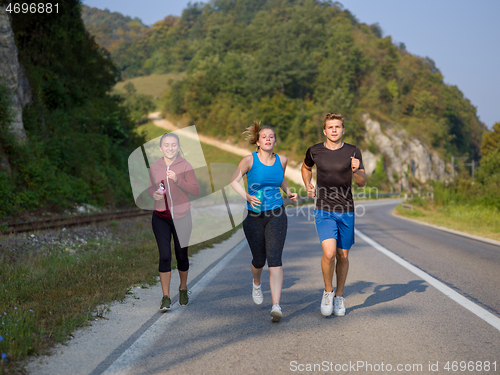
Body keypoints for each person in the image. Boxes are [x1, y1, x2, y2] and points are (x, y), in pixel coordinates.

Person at [230, 122, 298, 322]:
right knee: (259, 260)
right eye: (264, 137)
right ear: (258, 142)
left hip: (276, 213)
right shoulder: (249, 160)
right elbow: (233, 180)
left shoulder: (282, 160)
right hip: (254, 215)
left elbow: (280, 178)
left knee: (274, 259)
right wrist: (247, 196)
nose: (268, 139)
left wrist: (288, 192)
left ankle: (276, 305)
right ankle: (256, 282)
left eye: (271, 136)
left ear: (275, 141)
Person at [301, 112, 366, 317]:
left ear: (343, 130)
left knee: (343, 256)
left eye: (338, 127)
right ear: (325, 131)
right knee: (329, 254)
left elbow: (362, 182)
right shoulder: (315, 150)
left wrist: (356, 170)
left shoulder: (353, 151)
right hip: (324, 208)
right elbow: (305, 167)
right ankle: (328, 291)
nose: (334, 130)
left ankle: (339, 296)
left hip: (346, 209)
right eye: (331, 127)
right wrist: (307, 184)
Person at [148, 132, 200, 311]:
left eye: (174, 145)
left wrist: (178, 180)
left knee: (182, 255)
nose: (170, 148)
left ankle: (183, 288)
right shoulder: (155, 167)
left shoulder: (186, 165)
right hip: (161, 218)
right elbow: (150, 188)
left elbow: (195, 190)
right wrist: (153, 194)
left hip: (182, 217)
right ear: (160, 148)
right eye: (166, 145)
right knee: (164, 256)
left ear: (178, 147)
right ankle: (165, 297)